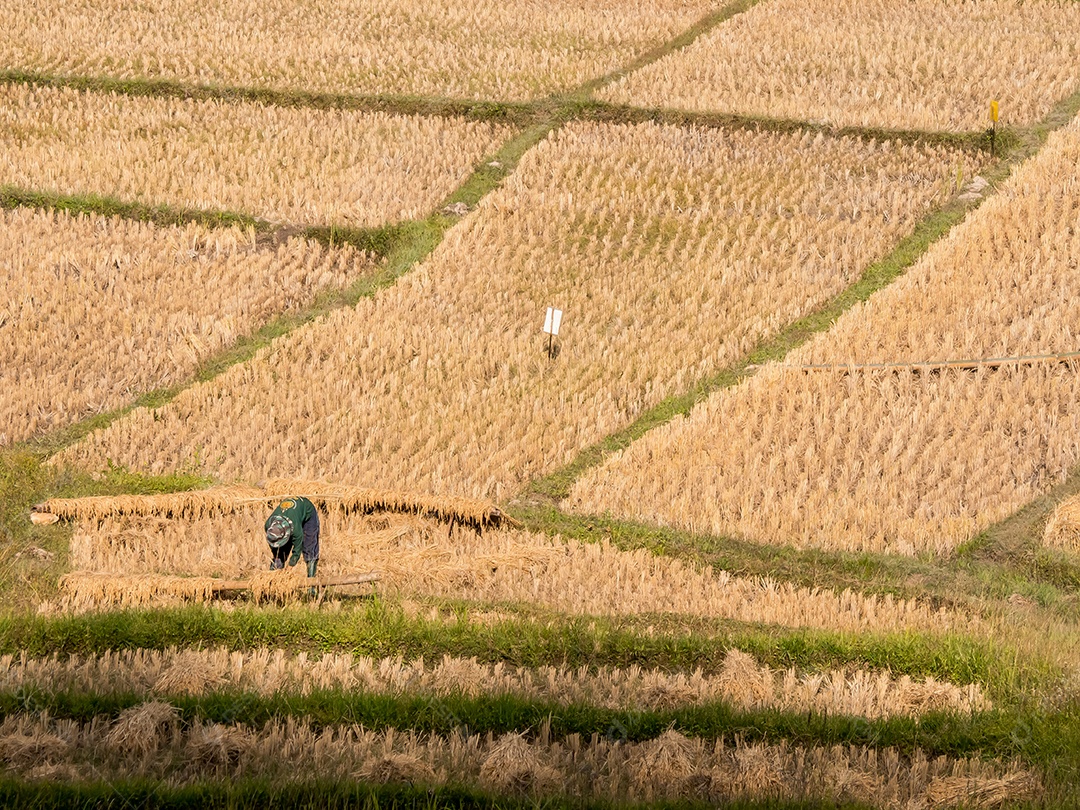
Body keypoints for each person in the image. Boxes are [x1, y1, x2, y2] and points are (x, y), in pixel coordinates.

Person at [265, 496, 320, 590]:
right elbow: (274, 546)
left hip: (307, 512)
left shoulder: (296, 531)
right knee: (279, 553)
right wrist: (277, 557)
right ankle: (272, 585)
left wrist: (290, 566)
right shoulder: (268, 525)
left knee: (309, 548)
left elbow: (297, 550)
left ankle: (311, 586)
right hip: (292, 516)